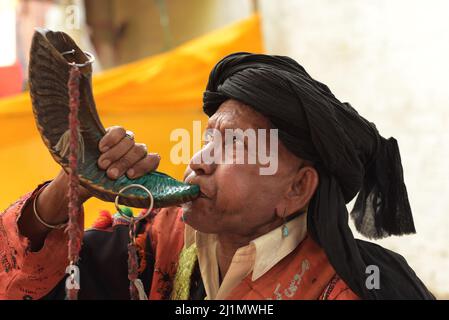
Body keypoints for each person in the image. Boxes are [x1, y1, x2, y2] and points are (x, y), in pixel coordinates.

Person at [0, 53, 434, 300]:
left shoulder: (363, 289)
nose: (201, 160)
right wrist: (70, 189)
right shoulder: (151, 239)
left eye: (237, 146)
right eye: (209, 139)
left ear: (297, 189)